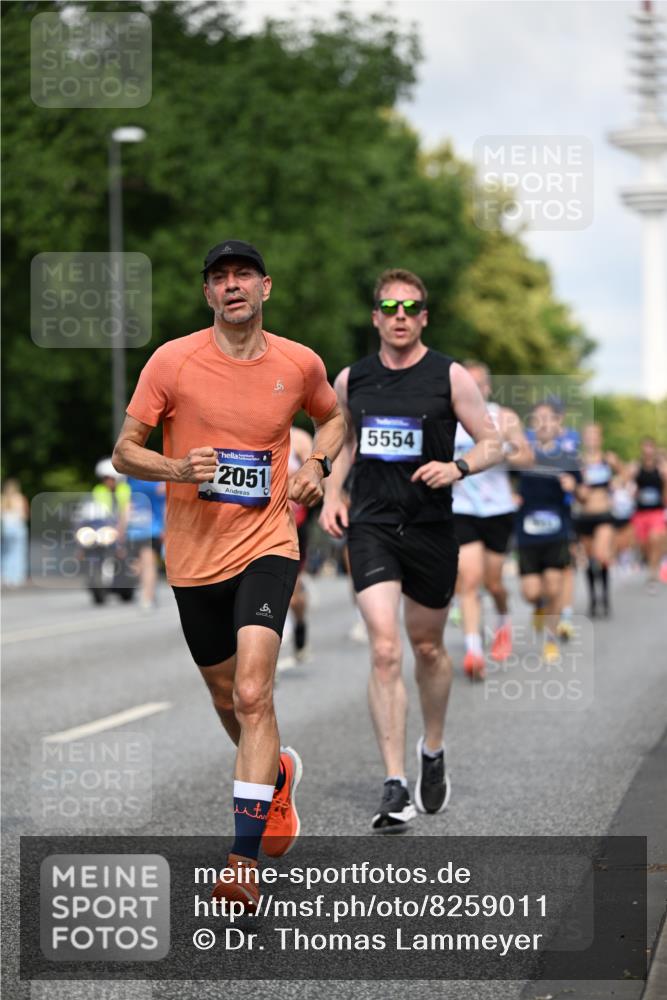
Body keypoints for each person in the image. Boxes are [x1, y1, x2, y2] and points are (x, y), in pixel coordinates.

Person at [112, 240, 345, 909]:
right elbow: (125, 452)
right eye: (219, 277)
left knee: (251, 691)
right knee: (225, 700)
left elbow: (332, 418)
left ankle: (241, 861)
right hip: (192, 557)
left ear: (265, 288)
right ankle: (273, 776)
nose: (232, 285)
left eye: (243, 274)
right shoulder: (172, 362)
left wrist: (315, 466)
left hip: (267, 541)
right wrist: (177, 469)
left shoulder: (298, 362)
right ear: (208, 294)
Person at [320, 268, 502, 831]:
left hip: (430, 528)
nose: (400, 315)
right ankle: (395, 784)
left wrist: (458, 466)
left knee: (426, 648)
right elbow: (344, 441)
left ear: (423, 316)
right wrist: (331, 493)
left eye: (411, 307)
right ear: (376, 316)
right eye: (389, 306)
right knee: (384, 649)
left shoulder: (449, 376)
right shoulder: (353, 379)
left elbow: (496, 441)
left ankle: (434, 748)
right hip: (372, 524)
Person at [452, 361, 533, 679]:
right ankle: (474, 651)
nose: (474, 391)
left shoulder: (504, 417)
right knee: (469, 580)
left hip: (497, 509)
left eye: (479, 385)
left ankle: (502, 619)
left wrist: (502, 449)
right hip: (462, 509)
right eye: (467, 385)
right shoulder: (449, 418)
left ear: (487, 387)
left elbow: (527, 458)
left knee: (494, 583)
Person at [516, 402, 587, 664]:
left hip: (557, 531)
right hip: (527, 532)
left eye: (549, 419)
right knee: (531, 592)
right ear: (533, 424)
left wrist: (574, 488)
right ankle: (538, 607)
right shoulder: (524, 455)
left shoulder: (569, 457)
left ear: (558, 424)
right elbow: (508, 481)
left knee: (555, 585)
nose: (544, 423)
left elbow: (585, 495)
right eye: (539, 419)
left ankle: (550, 639)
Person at [572, 423, 621, 617]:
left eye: (595, 435)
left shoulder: (608, 459)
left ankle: (605, 596)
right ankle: (594, 598)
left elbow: (624, 475)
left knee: (601, 556)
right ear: (584, 439)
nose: (592, 438)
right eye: (588, 435)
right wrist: (578, 491)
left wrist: (617, 483)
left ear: (600, 438)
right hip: (584, 515)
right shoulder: (578, 462)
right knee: (590, 560)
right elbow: (574, 488)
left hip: (604, 514)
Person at [286, 425, 314, 660]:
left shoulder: (300, 439)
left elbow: (317, 479)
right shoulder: (247, 432)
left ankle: (300, 622)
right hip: (253, 525)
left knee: (293, 594)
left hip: (293, 524)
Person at [627, 436, 667, 591]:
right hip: (640, 512)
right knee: (644, 545)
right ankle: (649, 561)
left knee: (655, 538)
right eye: (645, 447)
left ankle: (653, 574)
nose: (648, 450)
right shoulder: (637, 468)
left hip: (656, 511)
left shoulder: (661, 470)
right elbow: (629, 487)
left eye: (651, 447)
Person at [126, 477, 167, 610]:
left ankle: (147, 596)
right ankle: (149, 591)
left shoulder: (132, 481)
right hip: (138, 530)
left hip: (149, 530)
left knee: (147, 563)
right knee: (140, 565)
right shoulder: (133, 481)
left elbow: (165, 506)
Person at [1, 479, 29, 587]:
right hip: (18, 527)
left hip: (7, 528)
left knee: (5, 553)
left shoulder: (2, 499)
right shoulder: (20, 498)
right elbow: (25, 515)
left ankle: (6, 576)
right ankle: (17, 577)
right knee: (19, 553)